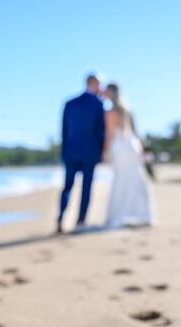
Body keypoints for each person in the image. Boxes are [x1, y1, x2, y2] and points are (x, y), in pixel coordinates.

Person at [57, 74, 105, 233]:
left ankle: (61, 217)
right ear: (95, 83)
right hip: (90, 153)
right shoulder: (98, 104)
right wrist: (101, 152)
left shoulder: (70, 103)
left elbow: (63, 131)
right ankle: (80, 221)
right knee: (86, 188)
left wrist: (64, 152)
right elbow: (101, 132)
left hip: (70, 152)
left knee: (68, 187)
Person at [102, 82, 154, 228]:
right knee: (136, 181)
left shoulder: (111, 111)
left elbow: (110, 133)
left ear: (111, 93)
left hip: (120, 146)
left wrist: (105, 151)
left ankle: (120, 215)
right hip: (132, 146)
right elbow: (136, 133)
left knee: (121, 181)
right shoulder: (128, 109)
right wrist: (143, 150)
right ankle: (142, 215)